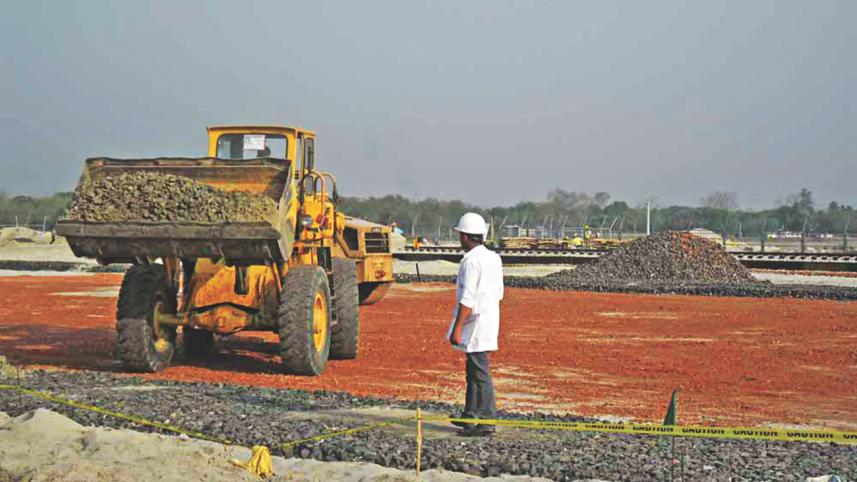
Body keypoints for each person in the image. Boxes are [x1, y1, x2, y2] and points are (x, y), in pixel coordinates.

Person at [446, 212, 504, 437]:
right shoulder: (493, 258)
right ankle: (470, 415)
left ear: (465, 237)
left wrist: (457, 328)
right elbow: (498, 293)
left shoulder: (471, 261)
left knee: (480, 372)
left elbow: (467, 298)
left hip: (475, 322)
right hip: (488, 318)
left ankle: (486, 420)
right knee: (473, 369)